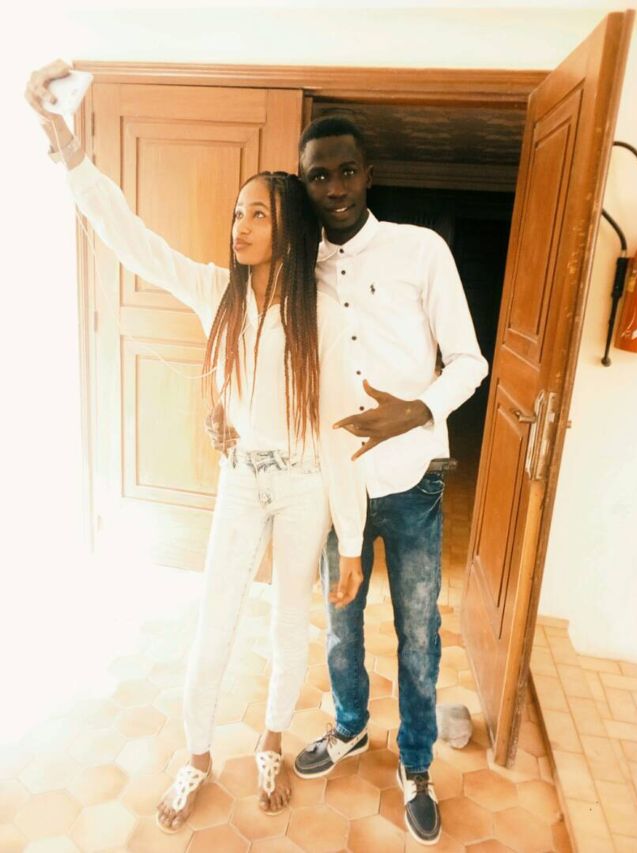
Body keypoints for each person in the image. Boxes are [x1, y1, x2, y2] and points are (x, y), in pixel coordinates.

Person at [25, 63, 366, 832]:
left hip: (306, 483)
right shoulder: (218, 291)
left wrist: (350, 538)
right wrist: (65, 144)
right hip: (242, 478)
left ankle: (272, 740)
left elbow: (342, 429)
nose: (239, 224)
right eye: (237, 211)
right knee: (215, 619)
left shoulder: (326, 313)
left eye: (257, 214)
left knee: (287, 622)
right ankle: (198, 754)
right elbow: (130, 239)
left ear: (289, 226)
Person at [293, 116, 489, 846]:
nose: (335, 187)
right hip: (335, 486)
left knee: (417, 631)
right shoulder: (298, 269)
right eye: (319, 175)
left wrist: (417, 409)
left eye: (346, 170)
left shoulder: (421, 249)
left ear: (368, 174)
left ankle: (416, 761)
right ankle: (348, 725)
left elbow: (470, 361)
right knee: (340, 624)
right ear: (305, 186)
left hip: (412, 482)